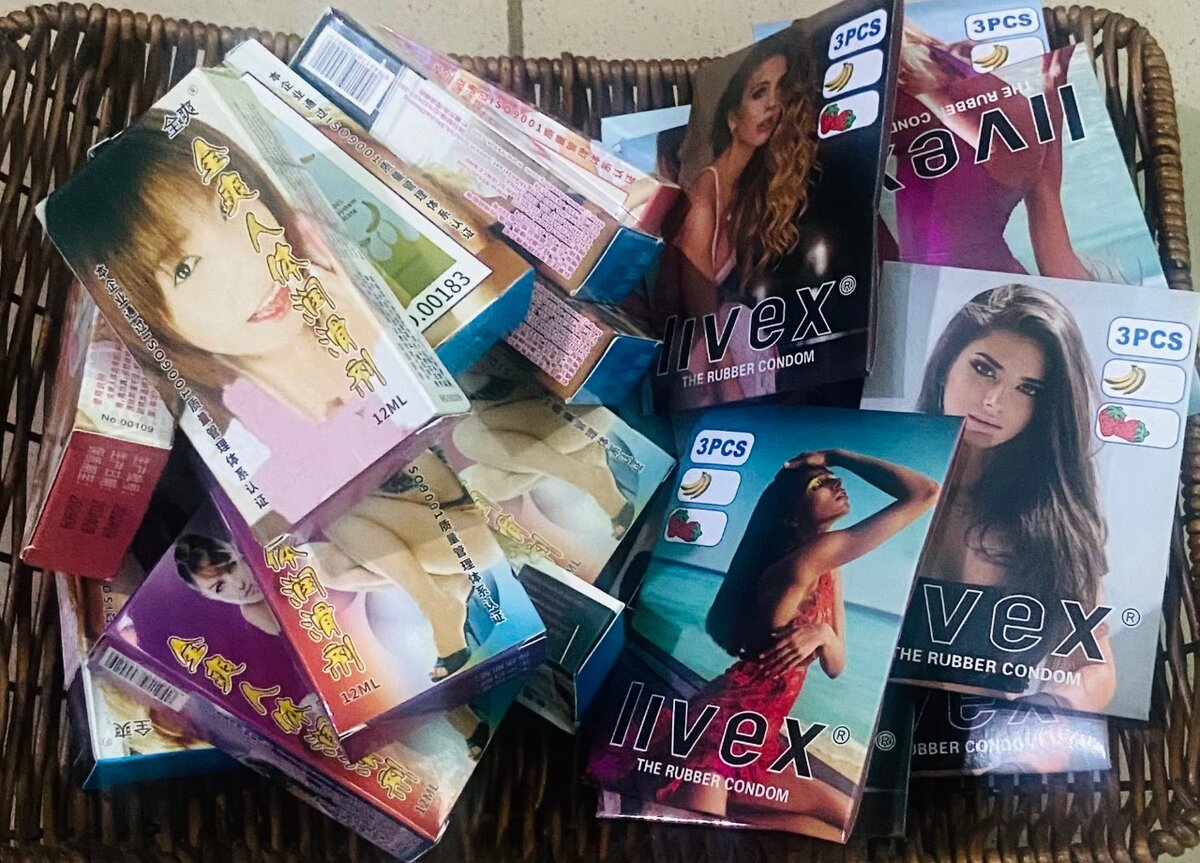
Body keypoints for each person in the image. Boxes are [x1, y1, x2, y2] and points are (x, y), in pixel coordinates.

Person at [44, 115, 488, 685]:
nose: (250, 265)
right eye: (185, 268)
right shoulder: (237, 420)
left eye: (232, 208)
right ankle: (443, 610)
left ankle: (445, 612)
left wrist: (374, 342)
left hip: (459, 487)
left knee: (455, 470)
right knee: (342, 549)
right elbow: (294, 515)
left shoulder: (334, 267)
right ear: (153, 324)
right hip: (425, 537)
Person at [595, 449, 938, 837]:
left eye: (833, 476)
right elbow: (924, 492)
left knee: (840, 817)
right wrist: (837, 456)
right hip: (722, 730)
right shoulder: (805, 560)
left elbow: (836, 665)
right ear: (791, 513)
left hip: (758, 738)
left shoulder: (828, 565)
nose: (836, 482)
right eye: (820, 483)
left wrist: (823, 634)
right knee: (705, 839)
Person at [915, 284, 1114, 712]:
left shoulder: (1057, 523)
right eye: (984, 369)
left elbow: (1093, 667)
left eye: (1029, 389)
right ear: (946, 364)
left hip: (984, 745)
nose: (994, 402)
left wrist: (1047, 709)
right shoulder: (883, 473)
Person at [173, 529, 493, 759]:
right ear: (208, 598)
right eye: (219, 587)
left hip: (376, 593)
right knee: (385, 670)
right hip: (357, 640)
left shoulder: (275, 548)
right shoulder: (252, 611)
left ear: (236, 549)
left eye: (231, 566)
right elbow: (308, 646)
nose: (237, 585)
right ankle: (463, 717)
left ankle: (442, 609)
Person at [653, 34, 818, 406]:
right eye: (759, 93)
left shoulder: (746, 195)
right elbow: (703, 325)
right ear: (732, 118)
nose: (772, 104)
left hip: (731, 353)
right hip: (702, 368)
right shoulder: (702, 202)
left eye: (780, 91)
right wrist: (733, 391)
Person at [890, 26, 1091, 280]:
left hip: (991, 171)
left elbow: (1044, 193)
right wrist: (1054, 89)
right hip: (993, 177)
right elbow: (1045, 194)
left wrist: (1053, 88)